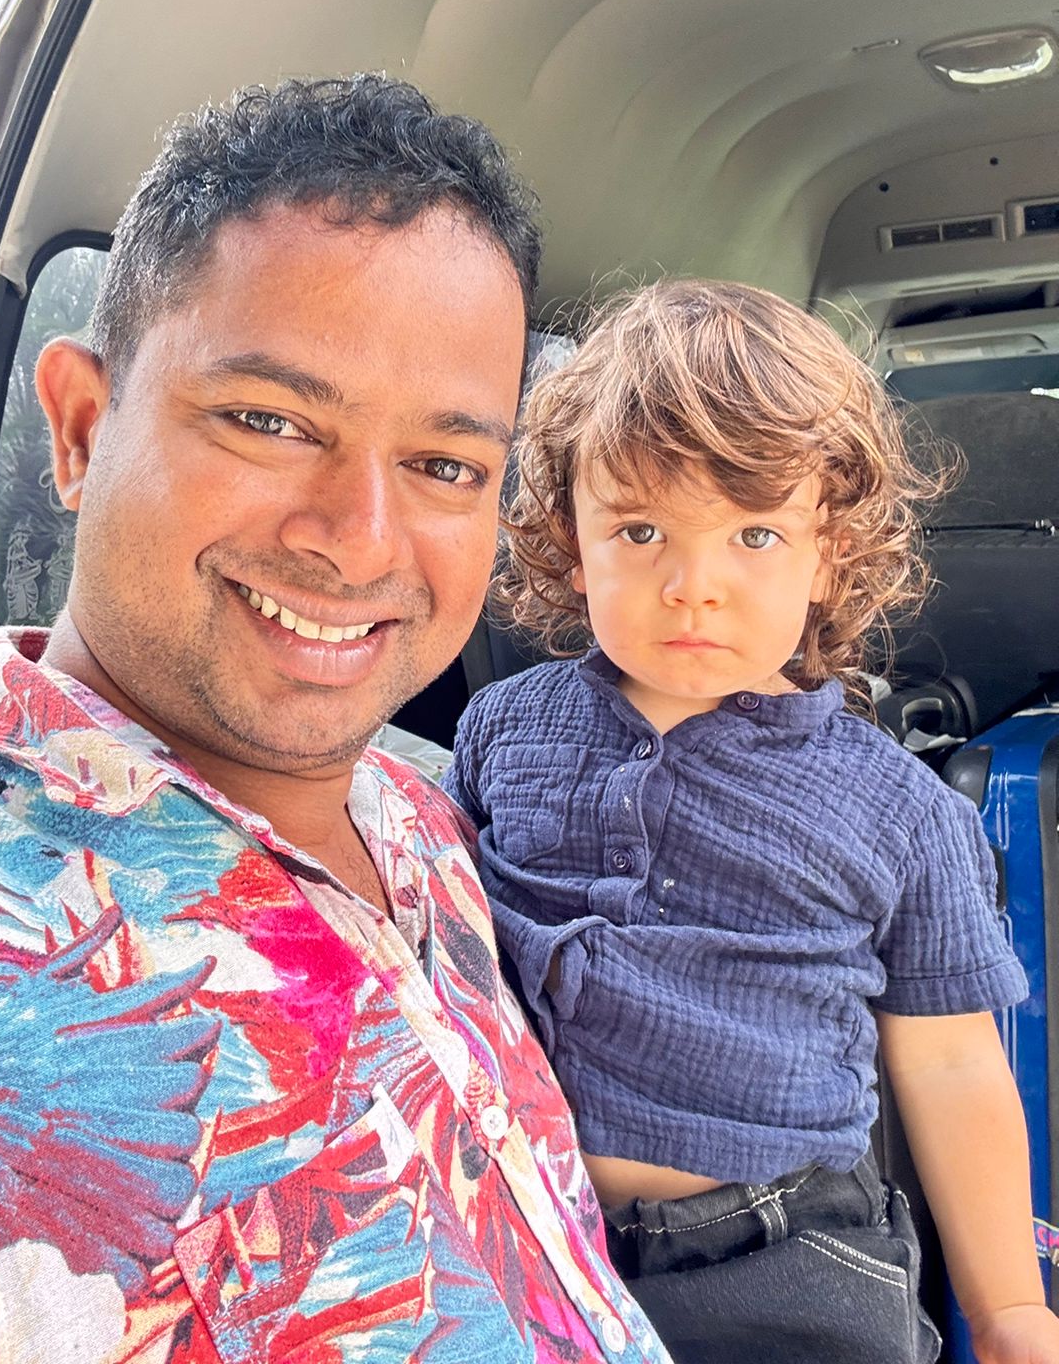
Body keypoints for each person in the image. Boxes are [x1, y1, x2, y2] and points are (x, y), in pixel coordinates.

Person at [0, 76, 669, 1364]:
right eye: (270, 421)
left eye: (445, 464)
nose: (361, 539)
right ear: (80, 428)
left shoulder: (426, 806)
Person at [444, 278, 1059, 1364]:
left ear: (830, 556)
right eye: (641, 530)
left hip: (787, 1254)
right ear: (573, 543)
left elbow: (953, 1064)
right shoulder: (501, 729)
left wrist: (1009, 1307)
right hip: (522, 1231)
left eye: (756, 535)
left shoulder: (901, 810)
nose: (694, 585)